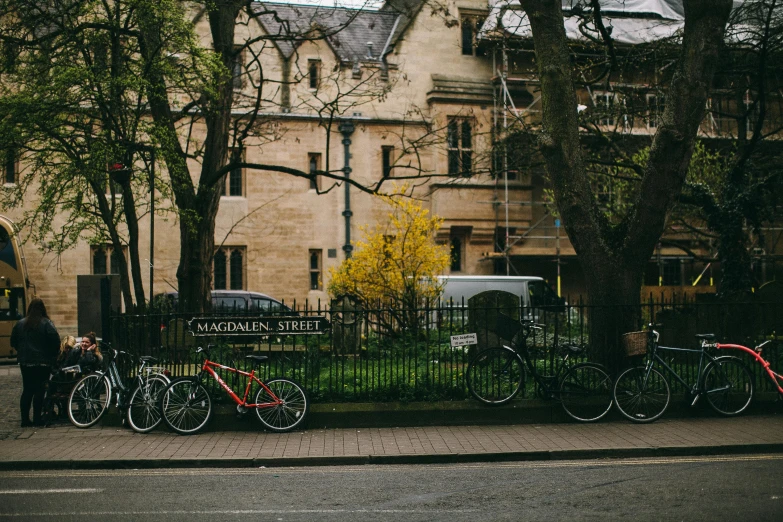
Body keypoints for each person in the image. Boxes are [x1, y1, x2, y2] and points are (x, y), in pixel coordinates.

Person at [10, 298, 60, 428]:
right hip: (43, 362)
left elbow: (13, 341)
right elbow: (55, 340)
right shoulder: (46, 323)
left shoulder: (20, 323)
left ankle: (25, 419)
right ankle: (37, 418)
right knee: (39, 390)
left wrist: (21, 351)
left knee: (27, 390)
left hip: (25, 361)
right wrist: (52, 355)